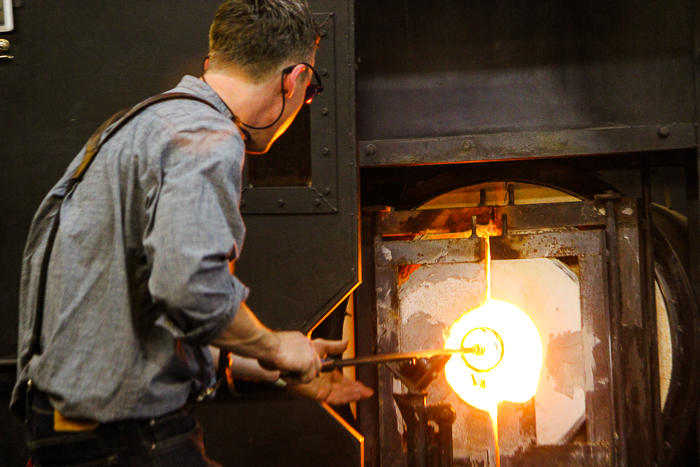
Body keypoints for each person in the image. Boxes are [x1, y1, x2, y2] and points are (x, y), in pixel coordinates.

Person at [11, 1, 371, 465]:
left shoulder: (144, 126)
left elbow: (135, 313)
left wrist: (268, 366)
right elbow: (188, 289)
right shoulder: (207, 138)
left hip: (71, 432)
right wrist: (277, 345)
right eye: (311, 87)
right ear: (295, 79)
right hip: (122, 441)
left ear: (212, 65)